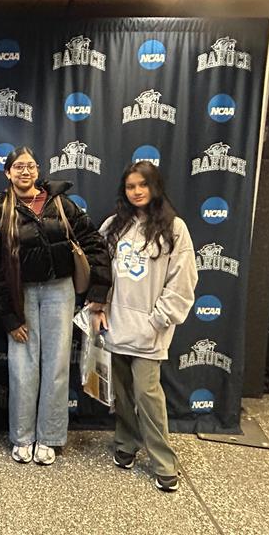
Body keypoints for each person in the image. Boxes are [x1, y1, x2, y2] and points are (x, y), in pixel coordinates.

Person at [0, 146, 110, 465]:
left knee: (56, 365)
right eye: (18, 166)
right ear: (8, 173)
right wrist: (9, 316)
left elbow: (93, 242)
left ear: (38, 170)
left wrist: (99, 290)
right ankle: (22, 436)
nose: (25, 171)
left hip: (60, 289)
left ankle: (50, 437)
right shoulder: (0, 207)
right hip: (21, 293)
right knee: (22, 365)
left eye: (30, 165)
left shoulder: (60, 202)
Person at [99, 161, 198, 493]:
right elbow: (100, 271)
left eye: (143, 185)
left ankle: (163, 462)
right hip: (116, 325)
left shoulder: (174, 228)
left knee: (148, 395)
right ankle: (126, 444)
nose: (137, 191)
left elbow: (182, 281)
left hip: (150, 330)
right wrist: (98, 308)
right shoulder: (113, 226)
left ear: (155, 187)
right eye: (130, 186)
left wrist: (158, 319)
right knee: (122, 393)